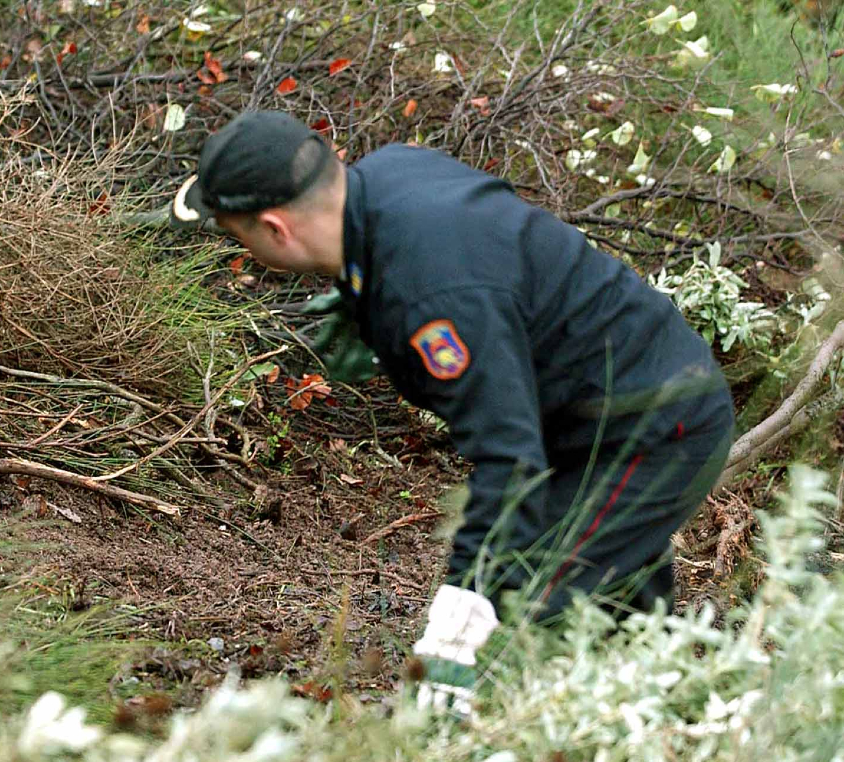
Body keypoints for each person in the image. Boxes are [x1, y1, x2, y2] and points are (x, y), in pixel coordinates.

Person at [169, 110, 735, 715]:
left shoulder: (433, 297)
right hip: (593, 417)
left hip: (651, 429)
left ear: (276, 229)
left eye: (236, 234)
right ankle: (684, 739)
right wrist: (365, 299)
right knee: (622, 632)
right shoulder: (391, 172)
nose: (241, 249)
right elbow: (494, 253)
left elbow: (509, 465)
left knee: (524, 622)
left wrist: (456, 629)